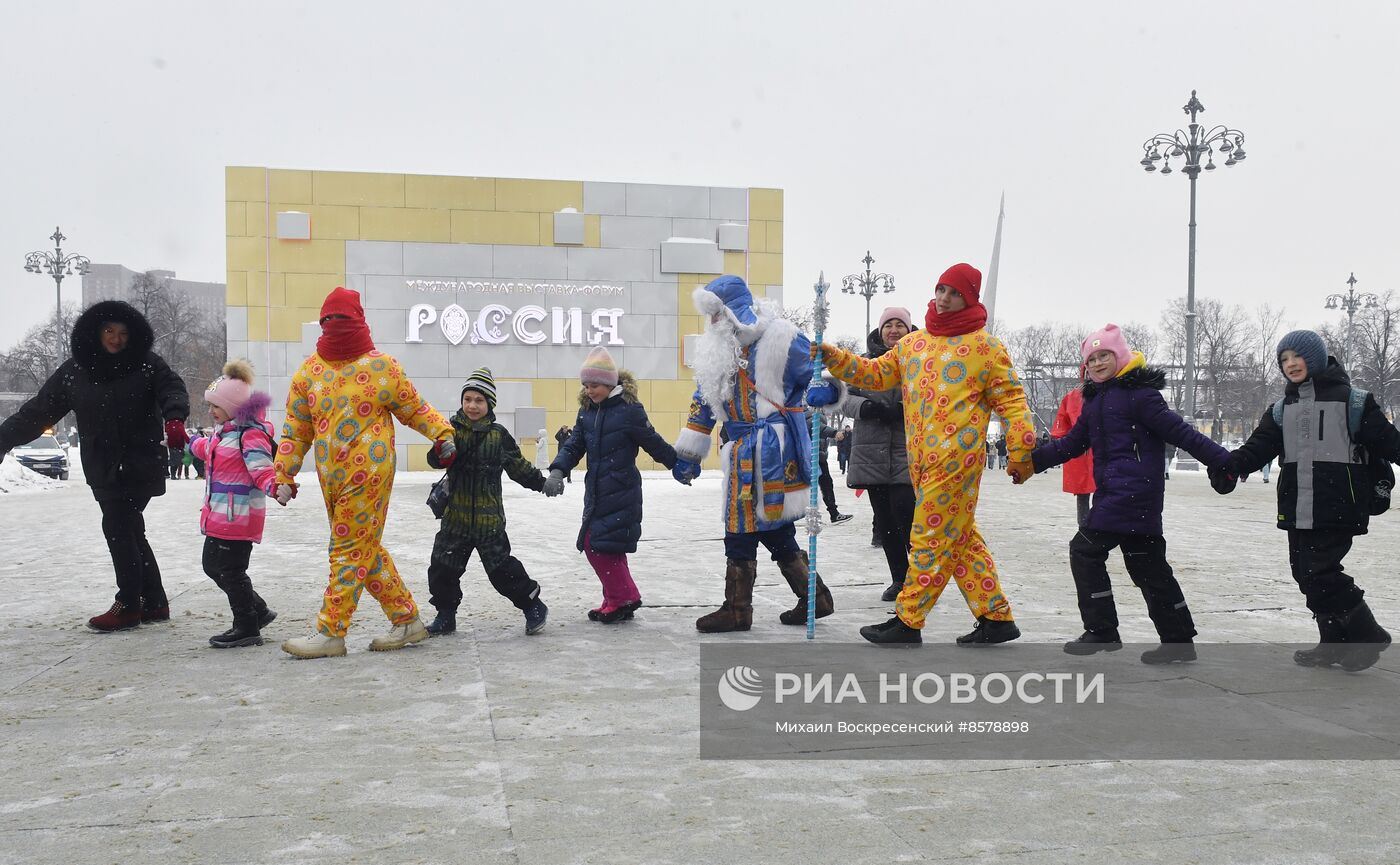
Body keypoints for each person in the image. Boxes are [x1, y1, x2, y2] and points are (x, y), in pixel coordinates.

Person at [810, 262, 1032, 646]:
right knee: (960, 539)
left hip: (957, 463)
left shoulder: (986, 348)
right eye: (941, 289)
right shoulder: (915, 344)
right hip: (920, 462)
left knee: (928, 536)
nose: (944, 298)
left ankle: (908, 619)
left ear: (969, 298)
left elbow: (1012, 401)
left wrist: (1021, 449)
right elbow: (873, 374)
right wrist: (832, 356)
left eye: (954, 293)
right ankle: (996, 616)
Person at [1028, 324, 1231, 664]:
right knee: (1149, 569)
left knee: (1084, 550)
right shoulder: (1093, 402)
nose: (1097, 363)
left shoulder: (1141, 396)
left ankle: (1102, 629)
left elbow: (1180, 432)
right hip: (1120, 493)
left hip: (1131, 494)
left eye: (1104, 355)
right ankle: (1178, 641)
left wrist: (1223, 461)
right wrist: (1033, 462)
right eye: (1091, 359)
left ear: (1119, 356)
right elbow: (1073, 443)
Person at [275, 286, 457, 659]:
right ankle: (407, 620)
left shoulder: (381, 366)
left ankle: (331, 632)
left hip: (369, 471)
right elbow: (296, 428)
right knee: (362, 549)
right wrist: (284, 474)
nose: (335, 325)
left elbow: (414, 407)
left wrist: (442, 433)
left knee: (345, 548)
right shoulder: (309, 372)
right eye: (328, 319)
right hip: (331, 477)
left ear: (359, 320)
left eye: (341, 318)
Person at [1211, 330, 1399, 671]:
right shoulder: (1283, 409)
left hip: (1339, 504)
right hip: (1297, 505)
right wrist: (1231, 467)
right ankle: (1333, 643)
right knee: (1304, 573)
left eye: (1296, 356)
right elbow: (1258, 448)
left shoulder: (1353, 401)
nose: (1290, 364)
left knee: (1320, 571)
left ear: (1314, 358)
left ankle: (1368, 633)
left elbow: (1390, 442)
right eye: (1284, 359)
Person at [0, 300, 189, 631]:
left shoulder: (146, 364)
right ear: (95, 333)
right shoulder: (75, 371)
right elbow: (38, 411)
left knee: (118, 526)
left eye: (123, 333)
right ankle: (154, 601)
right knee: (130, 528)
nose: (116, 339)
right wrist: (3, 438)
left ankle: (128, 604)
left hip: (140, 461)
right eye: (109, 331)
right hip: (102, 464)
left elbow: (172, 386)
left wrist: (174, 417)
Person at [671, 274, 835, 632]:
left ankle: (737, 610)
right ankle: (814, 596)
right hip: (739, 448)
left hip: (772, 448)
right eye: (710, 317)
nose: (713, 323)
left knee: (743, 525)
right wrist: (690, 450)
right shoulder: (718, 348)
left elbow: (821, 372)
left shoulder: (783, 338)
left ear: (734, 312)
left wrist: (826, 391)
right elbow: (704, 400)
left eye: (718, 315)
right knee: (772, 527)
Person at [546, 347, 678, 623]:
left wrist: (678, 464)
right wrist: (558, 469)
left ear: (609, 383)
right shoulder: (587, 413)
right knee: (609, 546)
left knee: (596, 545)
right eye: (586, 385)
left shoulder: (629, 411)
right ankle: (614, 599)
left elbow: (652, 441)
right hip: (596, 490)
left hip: (622, 490)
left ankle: (624, 596)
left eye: (594, 385)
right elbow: (574, 445)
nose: (589, 390)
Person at [423, 366, 553, 637]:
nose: (472, 406)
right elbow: (434, 460)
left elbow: (518, 467)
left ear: (489, 404)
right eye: (468, 399)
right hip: (455, 519)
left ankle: (533, 606)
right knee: (442, 568)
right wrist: (439, 452)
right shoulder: (450, 431)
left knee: (502, 571)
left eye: (479, 400)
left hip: (488, 520)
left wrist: (542, 483)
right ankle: (445, 615)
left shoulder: (498, 435)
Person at [187, 359, 280, 648]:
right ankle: (258, 611)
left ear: (233, 406)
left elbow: (262, 469)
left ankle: (246, 625)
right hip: (219, 515)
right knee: (211, 566)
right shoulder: (224, 433)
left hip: (238, 517)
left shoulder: (250, 436)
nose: (211, 410)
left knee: (230, 571)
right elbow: (209, 450)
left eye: (215, 405)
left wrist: (276, 488)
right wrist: (189, 443)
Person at [839, 305, 918, 603]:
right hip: (870, 451)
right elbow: (843, 398)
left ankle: (921, 578)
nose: (894, 330)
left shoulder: (920, 361)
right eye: (889, 325)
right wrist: (866, 408)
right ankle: (899, 578)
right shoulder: (864, 363)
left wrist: (905, 409)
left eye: (900, 325)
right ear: (881, 330)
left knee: (907, 514)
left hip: (906, 449)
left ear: (909, 330)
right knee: (884, 521)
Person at [1052, 367, 1095, 527]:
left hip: (1090, 452)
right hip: (1081, 453)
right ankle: (1086, 529)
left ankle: (1089, 529)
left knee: (1099, 493)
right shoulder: (1072, 397)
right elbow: (1061, 427)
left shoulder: (1113, 394)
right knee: (1086, 494)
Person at [815, 412, 853, 524]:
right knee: (811, 488)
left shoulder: (819, 410)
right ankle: (813, 516)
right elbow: (816, 426)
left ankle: (833, 513)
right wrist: (834, 432)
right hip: (810, 457)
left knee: (826, 485)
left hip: (819, 456)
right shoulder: (809, 408)